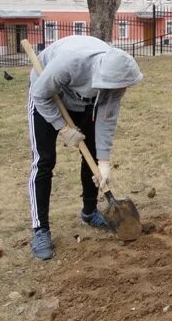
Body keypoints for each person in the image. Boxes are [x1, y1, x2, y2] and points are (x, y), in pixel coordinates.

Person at [27, 35, 144, 260]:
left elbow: (106, 121)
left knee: (89, 152)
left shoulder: (115, 82)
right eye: (122, 86)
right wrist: (62, 128)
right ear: (106, 78)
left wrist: (104, 163)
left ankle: (89, 212)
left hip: (86, 101)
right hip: (47, 94)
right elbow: (40, 95)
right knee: (44, 160)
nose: (124, 90)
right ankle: (40, 228)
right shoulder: (71, 63)